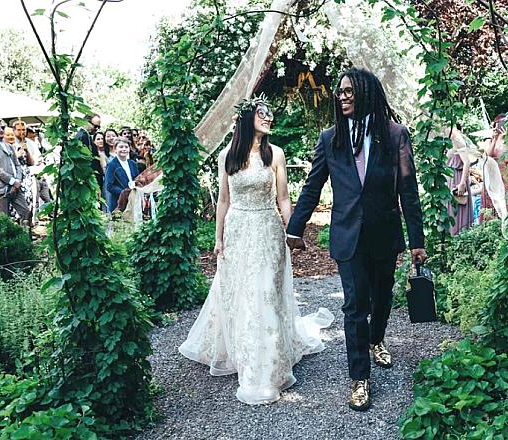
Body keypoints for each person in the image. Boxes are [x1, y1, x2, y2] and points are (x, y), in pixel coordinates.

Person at [286, 68, 426, 411]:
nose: (342, 96)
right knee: (353, 306)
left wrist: (417, 241)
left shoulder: (395, 135)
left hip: (384, 234)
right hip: (348, 235)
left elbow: (408, 190)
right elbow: (312, 186)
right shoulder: (329, 138)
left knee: (381, 298)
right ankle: (360, 378)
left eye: (349, 91)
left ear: (367, 92)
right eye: (340, 91)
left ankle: (377, 338)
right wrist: (295, 227)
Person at [179, 95, 334, 406]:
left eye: (270, 113)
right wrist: (218, 237)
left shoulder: (275, 154)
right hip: (237, 230)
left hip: (266, 229)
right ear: (248, 116)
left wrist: (293, 231)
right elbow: (223, 200)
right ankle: (242, 351)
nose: (269, 118)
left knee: (265, 292)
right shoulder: (228, 155)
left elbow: (284, 199)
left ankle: (266, 363)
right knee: (241, 293)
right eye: (263, 113)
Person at [0, 118, 31, 226]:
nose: (1, 130)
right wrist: (12, 181)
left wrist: (17, 181)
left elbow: (17, 164)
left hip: (16, 187)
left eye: (3, 128)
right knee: (4, 219)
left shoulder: (9, 146)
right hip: (1, 188)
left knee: (26, 213)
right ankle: (6, 242)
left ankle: (25, 238)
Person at [104, 139, 140, 213]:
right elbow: (109, 186)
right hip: (118, 201)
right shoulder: (111, 165)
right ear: (115, 149)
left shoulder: (132, 163)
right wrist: (125, 192)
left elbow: (137, 179)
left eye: (126, 147)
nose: (124, 149)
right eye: (121, 147)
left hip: (133, 200)